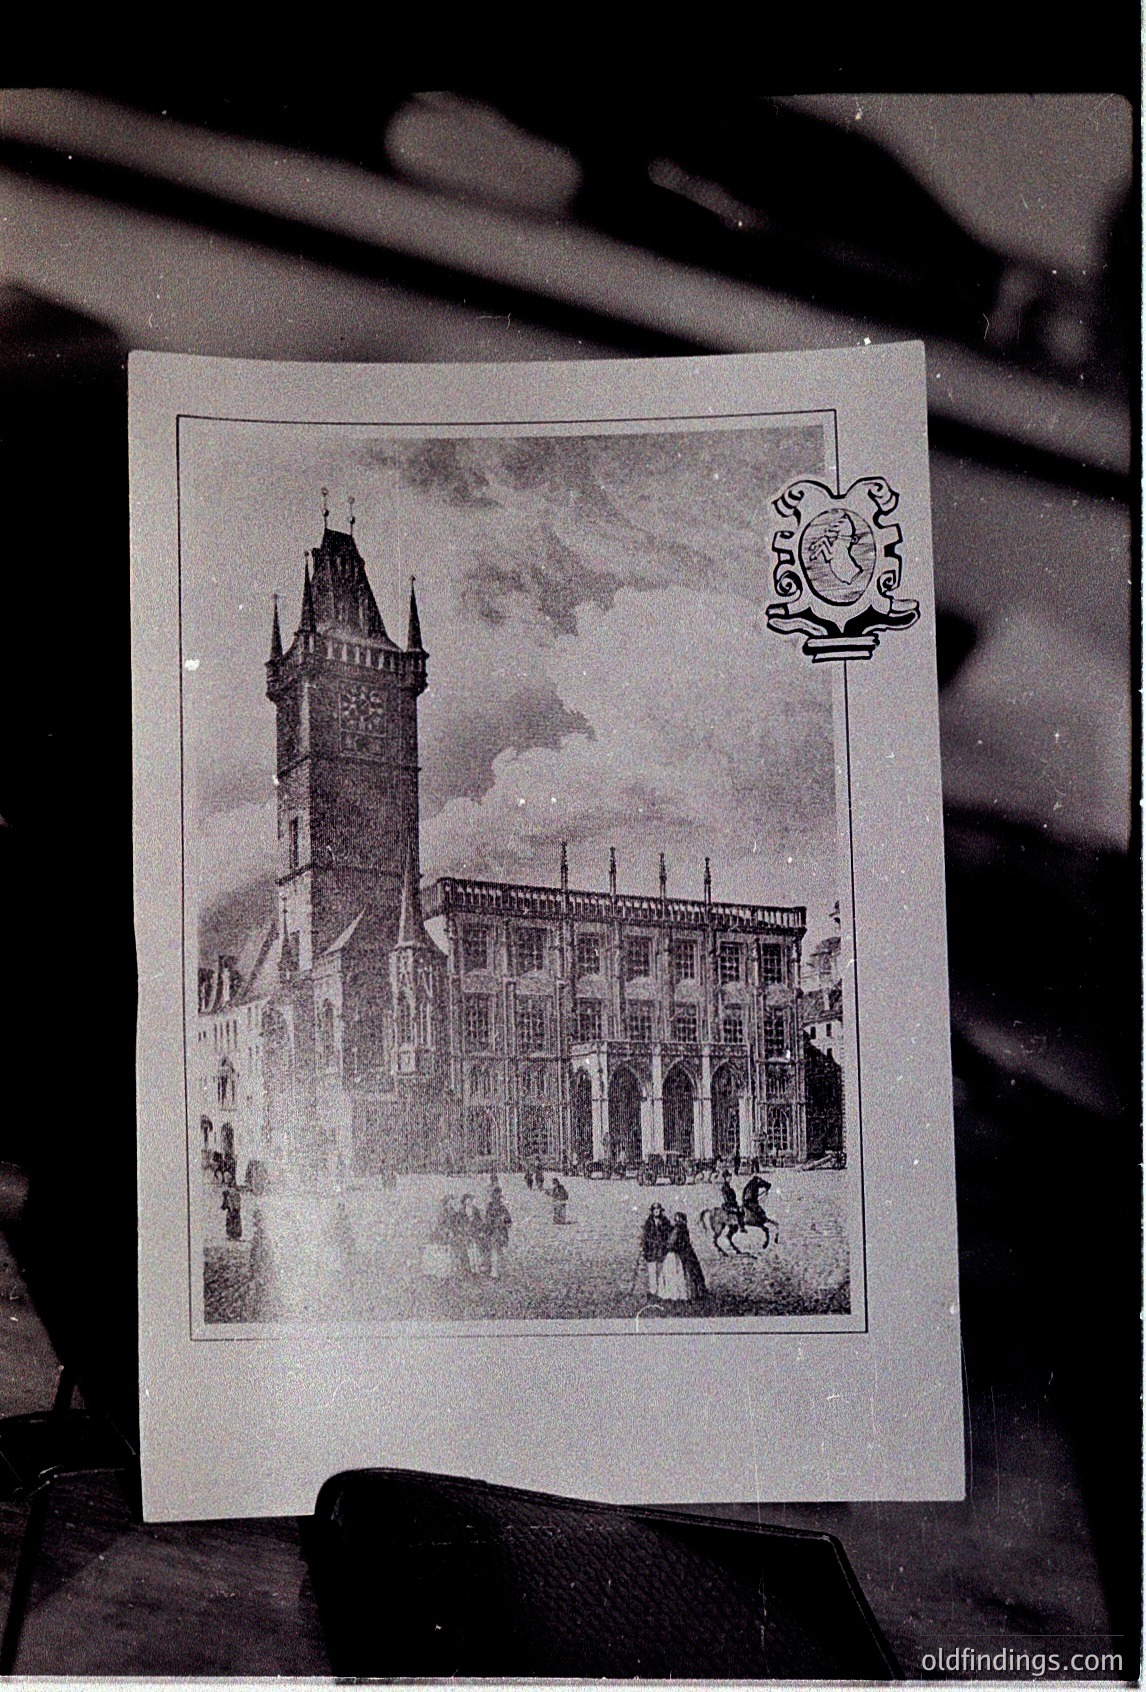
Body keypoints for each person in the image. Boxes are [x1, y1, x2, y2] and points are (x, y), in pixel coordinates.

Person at [659, 1212, 707, 1302]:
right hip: (687, 1253)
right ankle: (696, 1293)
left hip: (685, 1254)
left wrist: (668, 1247)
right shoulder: (680, 1229)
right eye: (676, 1220)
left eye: (678, 1220)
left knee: (689, 1273)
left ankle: (694, 1294)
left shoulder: (678, 1230)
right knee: (692, 1273)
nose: (677, 1222)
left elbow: (672, 1243)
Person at [639, 1202, 671, 1296]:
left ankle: (661, 1291)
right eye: (654, 1210)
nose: (656, 1211)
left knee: (661, 1271)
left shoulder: (665, 1221)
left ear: (661, 1211)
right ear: (652, 1211)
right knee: (652, 1271)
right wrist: (644, 1247)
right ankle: (653, 1291)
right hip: (651, 1250)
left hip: (661, 1250)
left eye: (658, 1209)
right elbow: (645, 1236)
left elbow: (668, 1234)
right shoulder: (648, 1222)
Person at [485, 1177, 513, 1279]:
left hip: (501, 1232)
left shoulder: (503, 1208)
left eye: (499, 1196)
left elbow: (509, 1220)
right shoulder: (490, 1207)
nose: (498, 1198)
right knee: (494, 1252)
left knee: (500, 1252)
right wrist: (495, 1222)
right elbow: (488, 1220)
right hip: (494, 1232)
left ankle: (498, 1271)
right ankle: (494, 1272)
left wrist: (505, 1221)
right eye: (496, 1196)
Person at [460, 1193, 488, 1276]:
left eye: (470, 1199)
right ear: (464, 1201)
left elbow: (479, 1220)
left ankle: (477, 1268)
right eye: (467, 1199)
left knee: (476, 1250)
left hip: (474, 1232)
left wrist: (479, 1230)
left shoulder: (475, 1210)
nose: (469, 1201)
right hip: (466, 1233)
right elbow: (460, 1222)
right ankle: (472, 1270)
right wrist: (464, 1228)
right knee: (470, 1251)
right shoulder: (462, 1211)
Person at [220, 1170, 242, 1241]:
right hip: (231, 1208)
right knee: (230, 1220)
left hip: (234, 1208)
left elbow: (236, 1200)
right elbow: (226, 1200)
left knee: (234, 1220)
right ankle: (232, 1234)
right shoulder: (227, 1191)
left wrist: (235, 1207)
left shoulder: (233, 1191)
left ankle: (235, 1235)